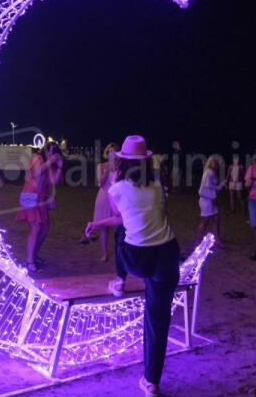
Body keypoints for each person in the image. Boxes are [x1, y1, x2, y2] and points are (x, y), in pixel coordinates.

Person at [85, 135, 179, 396]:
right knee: (158, 319)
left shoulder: (116, 189)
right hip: (167, 254)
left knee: (122, 234)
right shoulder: (158, 185)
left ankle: (120, 280)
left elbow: (121, 217)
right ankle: (151, 382)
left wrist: (97, 223)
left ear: (122, 162)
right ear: (147, 162)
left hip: (137, 259)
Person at [16, 141, 63, 272]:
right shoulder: (38, 158)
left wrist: (60, 166)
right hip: (29, 196)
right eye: (50, 150)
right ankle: (29, 261)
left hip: (40, 199)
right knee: (36, 228)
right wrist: (50, 161)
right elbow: (36, 173)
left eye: (55, 151)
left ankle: (33, 255)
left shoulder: (49, 165)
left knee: (45, 227)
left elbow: (54, 181)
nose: (52, 154)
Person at [91, 142, 119, 261]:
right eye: (110, 152)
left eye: (114, 151)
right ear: (107, 153)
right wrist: (107, 171)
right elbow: (100, 183)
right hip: (103, 198)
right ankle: (105, 253)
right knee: (103, 228)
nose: (112, 154)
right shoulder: (101, 166)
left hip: (116, 199)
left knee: (118, 228)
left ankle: (118, 253)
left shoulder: (121, 167)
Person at [197, 155, 225, 248]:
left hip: (209, 200)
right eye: (216, 163)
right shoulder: (209, 172)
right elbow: (207, 185)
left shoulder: (210, 172)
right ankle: (199, 240)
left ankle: (217, 239)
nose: (218, 165)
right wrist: (219, 186)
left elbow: (209, 186)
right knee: (205, 221)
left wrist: (220, 186)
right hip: (206, 200)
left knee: (216, 218)